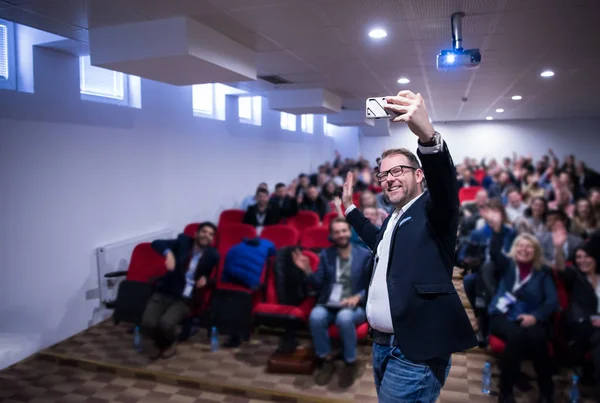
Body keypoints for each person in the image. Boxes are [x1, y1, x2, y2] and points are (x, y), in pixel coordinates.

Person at [342, 90, 477, 401]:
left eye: (397, 171)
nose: (388, 179)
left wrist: (428, 137)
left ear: (419, 175)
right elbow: (379, 243)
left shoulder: (434, 209)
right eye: (383, 174)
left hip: (415, 348)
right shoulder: (397, 216)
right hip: (383, 344)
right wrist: (349, 209)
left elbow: (444, 185)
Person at [485, 211, 558, 402]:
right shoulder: (508, 266)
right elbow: (494, 252)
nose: (524, 250)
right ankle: (507, 392)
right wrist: (498, 229)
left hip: (532, 317)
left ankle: (544, 392)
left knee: (537, 339)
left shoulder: (543, 272)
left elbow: (552, 301)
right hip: (504, 315)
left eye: (529, 247)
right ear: (515, 249)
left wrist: (534, 317)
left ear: (536, 251)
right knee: (517, 335)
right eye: (521, 246)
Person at [292, 218, 371, 388]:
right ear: (332, 235)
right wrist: (307, 270)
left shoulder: (364, 255)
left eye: (344, 231)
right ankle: (326, 360)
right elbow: (318, 283)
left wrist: (358, 297)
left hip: (355, 305)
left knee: (344, 317)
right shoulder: (326, 255)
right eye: (337, 232)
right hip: (330, 303)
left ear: (350, 232)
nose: (341, 235)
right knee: (316, 316)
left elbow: (372, 284)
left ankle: (350, 362)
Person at [141, 222, 219, 359]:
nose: (207, 235)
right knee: (147, 323)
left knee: (166, 323)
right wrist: (169, 253)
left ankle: (170, 342)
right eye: (204, 231)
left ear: (213, 239)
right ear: (196, 234)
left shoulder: (213, 255)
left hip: (187, 298)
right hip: (166, 290)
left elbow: (217, 277)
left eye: (211, 234)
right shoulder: (183, 242)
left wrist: (207, 280)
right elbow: (156, 243)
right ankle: (161, 342)